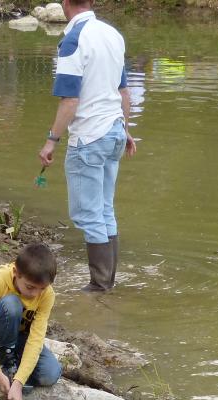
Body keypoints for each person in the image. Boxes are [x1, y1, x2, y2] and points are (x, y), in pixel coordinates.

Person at [37, 0, 136, 292]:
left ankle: (99, 287)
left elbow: (70, 101)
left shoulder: (72, 40)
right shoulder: (112, 35)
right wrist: (126, 130)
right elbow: (124, 92)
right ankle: (109, 283)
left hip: (90, 137)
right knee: (105, 209)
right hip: (114, 131)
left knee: (88, 214)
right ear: (91, 2)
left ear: (65, 4)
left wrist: (51, 141)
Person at [0, 243, 63, 400]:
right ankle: (2, 360)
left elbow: (35, 340)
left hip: (22, 340)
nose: (35, 294)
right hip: (0, 335)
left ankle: (14, 366)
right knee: (11, 304)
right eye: (30, 287)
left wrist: (19, 381)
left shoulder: (48, 295)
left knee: (50, 374)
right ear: (16, 273)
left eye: (41, 289)